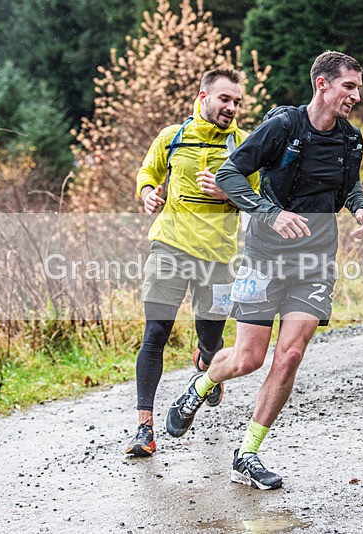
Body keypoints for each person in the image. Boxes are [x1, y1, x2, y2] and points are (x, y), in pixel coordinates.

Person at [165, 51, 363, 489]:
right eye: (349, 86)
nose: (357, 94)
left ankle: (248, 454)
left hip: (315, 262)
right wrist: (269, 213)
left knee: (291, 355)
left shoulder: (350, 140)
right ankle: (201, 386)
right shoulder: (283, 126)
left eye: (358, 87)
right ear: (322, 84)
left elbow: (349, 183)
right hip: (263, 257)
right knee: (247, 359)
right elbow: (229, 174)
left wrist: (361, 207)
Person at [125, 68, 259, 457]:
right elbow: (147, 172)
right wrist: (149, 193)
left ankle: (207, 363)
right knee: (155, 333)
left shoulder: (243, 144)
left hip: (218, 256)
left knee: (211, 339)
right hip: (170, 245)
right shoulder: (173, 136)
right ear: (203, 98)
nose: (232, 107)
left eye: (236, 101)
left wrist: (225, 194)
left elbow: (256, 196)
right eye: (225, 99)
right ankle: (143, 430)